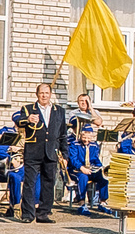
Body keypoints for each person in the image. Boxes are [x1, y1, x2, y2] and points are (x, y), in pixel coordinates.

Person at [16, 83, 72, 223]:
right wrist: (27, 120)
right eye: (41, 93)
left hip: (51, 152)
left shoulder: (59, 110)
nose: (44, 96)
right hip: (33, 152)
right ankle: (28, 214)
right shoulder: (28, 109)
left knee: (48, 183)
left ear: (50, 94)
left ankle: (43, 213)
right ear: (37, 94)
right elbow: (18, 121)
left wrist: (65, 155)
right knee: (30, 183)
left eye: (47, 93)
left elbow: (63, 134)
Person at [65, 122, 107, 217]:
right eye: (84, 137)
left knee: (103, 178)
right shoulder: (74, 144)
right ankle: (82, 202)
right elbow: (73, 159)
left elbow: (95, 159)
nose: (86, 140)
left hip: (90, 169)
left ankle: (103, 201)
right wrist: (81, 167)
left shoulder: (94, 145)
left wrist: (100, 167)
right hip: (76, 170)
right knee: (83, 177)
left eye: (89, 138)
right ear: (80, 136)